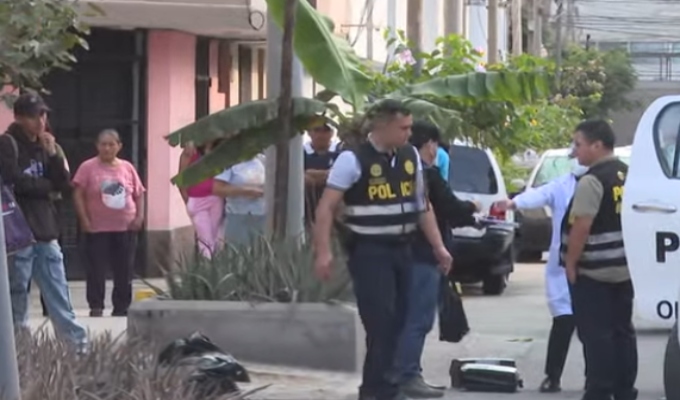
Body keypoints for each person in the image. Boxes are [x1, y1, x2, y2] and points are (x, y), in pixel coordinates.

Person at [313, 100, 452, 400]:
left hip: (404, 249)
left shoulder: (410, 156)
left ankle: (379, 387)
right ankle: (380, 389)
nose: (409, 133)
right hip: (370, 252)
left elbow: (423, 206)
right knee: (380, 322)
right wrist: (323, 252)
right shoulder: (353, 160)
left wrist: (438, 247)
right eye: (403, 128)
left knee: (400, 321)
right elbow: (325, 208)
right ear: (383, 126)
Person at [391, 120, 479, 399]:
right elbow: (449, 208)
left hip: (397, 254)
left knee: (403, 318)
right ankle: (407, 376)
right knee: (418, 319)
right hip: (422, 256)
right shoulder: (426, 174)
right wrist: (472, 208)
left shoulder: (396, 172)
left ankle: (400, 374)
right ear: (430, 144)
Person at [494, 145, 589, 393]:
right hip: (563, 265)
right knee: (563, 321)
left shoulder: (605, 183)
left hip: (594, 264)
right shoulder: (562, 185)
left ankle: (595, 378)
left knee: (592, 326)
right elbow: (538, 195)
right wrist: (513, 203)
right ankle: (552, 376)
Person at [0, 92, 87, 350]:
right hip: (18, 232)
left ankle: (76, 346)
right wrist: (46, 187)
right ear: (19, 117)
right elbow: (13, 181)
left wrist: (53, 155)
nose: (40, 121)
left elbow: (64, 185)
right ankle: (19, 349)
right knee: (17, 294)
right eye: (33, 116)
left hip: (45, 230)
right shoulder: (8, 144)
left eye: (43, 115)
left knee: (58, 291)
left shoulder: (47, 146)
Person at [561, 119, 637, 400]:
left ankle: (599, 390)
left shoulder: (592, 180)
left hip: (594, 273)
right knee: (623, 333)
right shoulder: (627, 175)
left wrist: (570, 264)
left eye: (578, 144)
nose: (575, 151)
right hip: (625, 270)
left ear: (597, 145)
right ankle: (624, 389)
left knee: (596, 336)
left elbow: (581, 226)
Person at [72, 129, 146, 317]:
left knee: (124, 270)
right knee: (96, 270)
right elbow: (78, 194)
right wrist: (84, 219)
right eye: (103, 144)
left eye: (111, 144)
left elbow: (139, 194)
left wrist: (139, 217)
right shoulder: (87, 167)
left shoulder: (127, 167)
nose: (107, 148)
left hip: (125, 227)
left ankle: (122, 307)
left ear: (119, 146)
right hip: (97, 228)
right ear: (97, 146)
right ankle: (96, 306)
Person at [179, 140, 224, 257]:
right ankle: (206, 266)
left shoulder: (220, 151)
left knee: (216, 238)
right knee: (205, 240)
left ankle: (215, 265)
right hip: (197, 200)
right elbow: (181, 179)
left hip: (217, 199)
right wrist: (188, 200)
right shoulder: (190, 152)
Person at [213, 155, 266, 245]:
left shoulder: (262, 160)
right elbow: (217, 189)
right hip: (238, 215)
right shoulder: (229, 163)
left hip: (261, 214)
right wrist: (246, 191)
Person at [304, 122, 339, 225]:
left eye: (325, 131)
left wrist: (311, 173)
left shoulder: (340, 151)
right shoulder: (300, 152)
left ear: (332, 133)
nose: (321, 135)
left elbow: (341, 175)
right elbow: (299, 176)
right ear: (309, 133)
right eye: (317, 130)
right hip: (306, 210)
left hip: (336, 210)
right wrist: (328, 174)